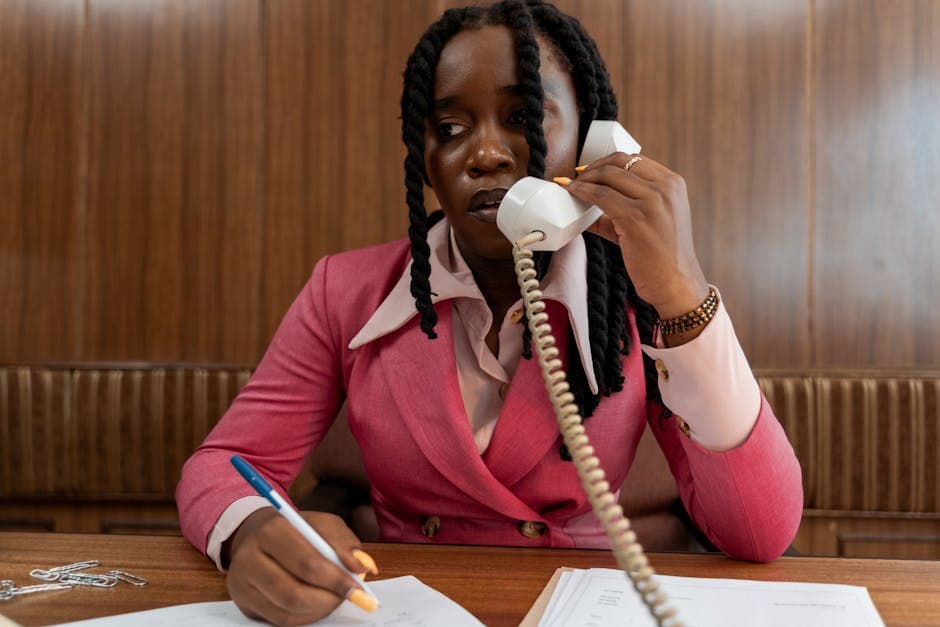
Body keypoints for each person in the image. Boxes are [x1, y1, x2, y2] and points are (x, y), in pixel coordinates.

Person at [176, 1, 803, 624]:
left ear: (592, 141)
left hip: (584, 607)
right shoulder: (347, 289)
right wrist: (249, 529)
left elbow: (759, 531)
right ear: (423, 158)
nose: (485, 155)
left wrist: (684, 297)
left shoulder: (641, 294)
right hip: (401, 608)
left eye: (523, 117)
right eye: (449, 129)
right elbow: (225, 465)